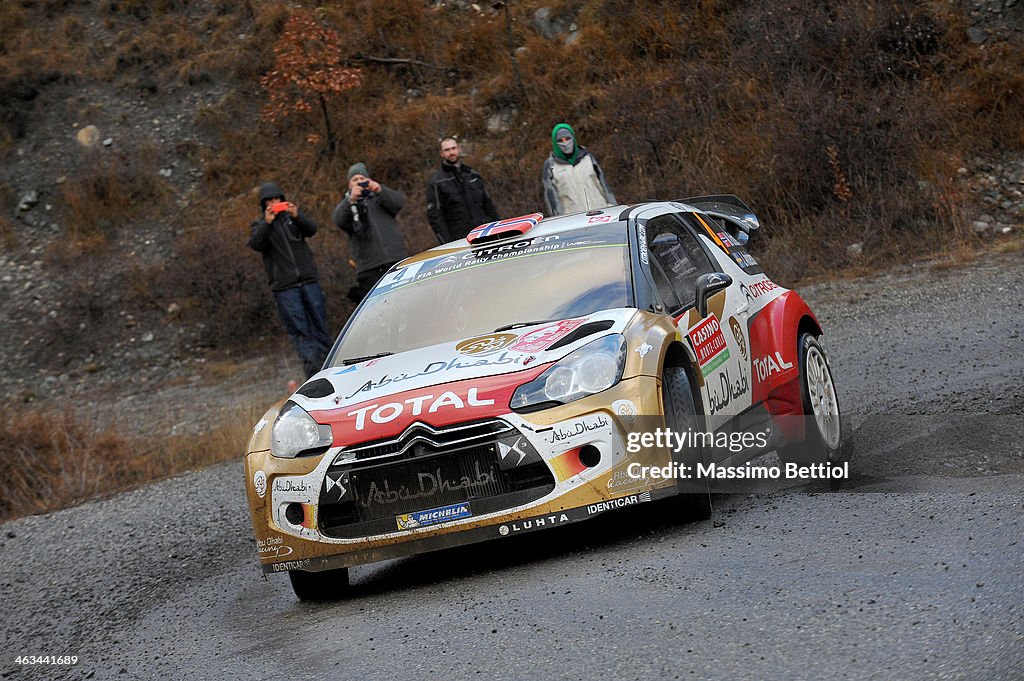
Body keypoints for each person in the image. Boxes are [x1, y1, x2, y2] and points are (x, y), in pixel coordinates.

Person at [248, 181, 332, 378]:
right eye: (269, 200)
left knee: (320, 325)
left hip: (309, 281)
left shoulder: (292, 219)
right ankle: (314, 374)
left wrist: (297, 215)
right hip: (285, 288)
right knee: (300, 331)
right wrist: (267, 223)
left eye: (276, 199)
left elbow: (312, 229)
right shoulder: (260, 225)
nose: (273, 203)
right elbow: (255, 244)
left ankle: (330, 367)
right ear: (263, 204)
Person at [333, 162, 409, 304]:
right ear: (349, 184)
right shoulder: (348, 205)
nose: (360, 182)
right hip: (370, 267)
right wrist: (351, 200)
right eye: (355, 180)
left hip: (396, 259)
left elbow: (399, 203)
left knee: (406, 301)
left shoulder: (379, 197)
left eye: (362, 179)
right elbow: (338, 221)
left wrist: (380, 189)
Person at [426, 136, 500, 243]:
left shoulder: (473, 175)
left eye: (453, 148)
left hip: (485, 233)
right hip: (461, 239)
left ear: (459, 149)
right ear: (441, 153)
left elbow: (489, 205)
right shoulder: (437, 182)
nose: (451, 152)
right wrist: (447, 243)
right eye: (447, 150)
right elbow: (436, 218)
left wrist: (499, 229)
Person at [541, 122, 617, 216]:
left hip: (601, 214)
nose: (565, 143)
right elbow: (552, 200)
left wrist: (613, 208)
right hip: (574, 221)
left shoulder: (588, 158)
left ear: (573, 138)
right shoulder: (550, 166)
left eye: (567, 138)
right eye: (560, 140)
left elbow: (605, 187)